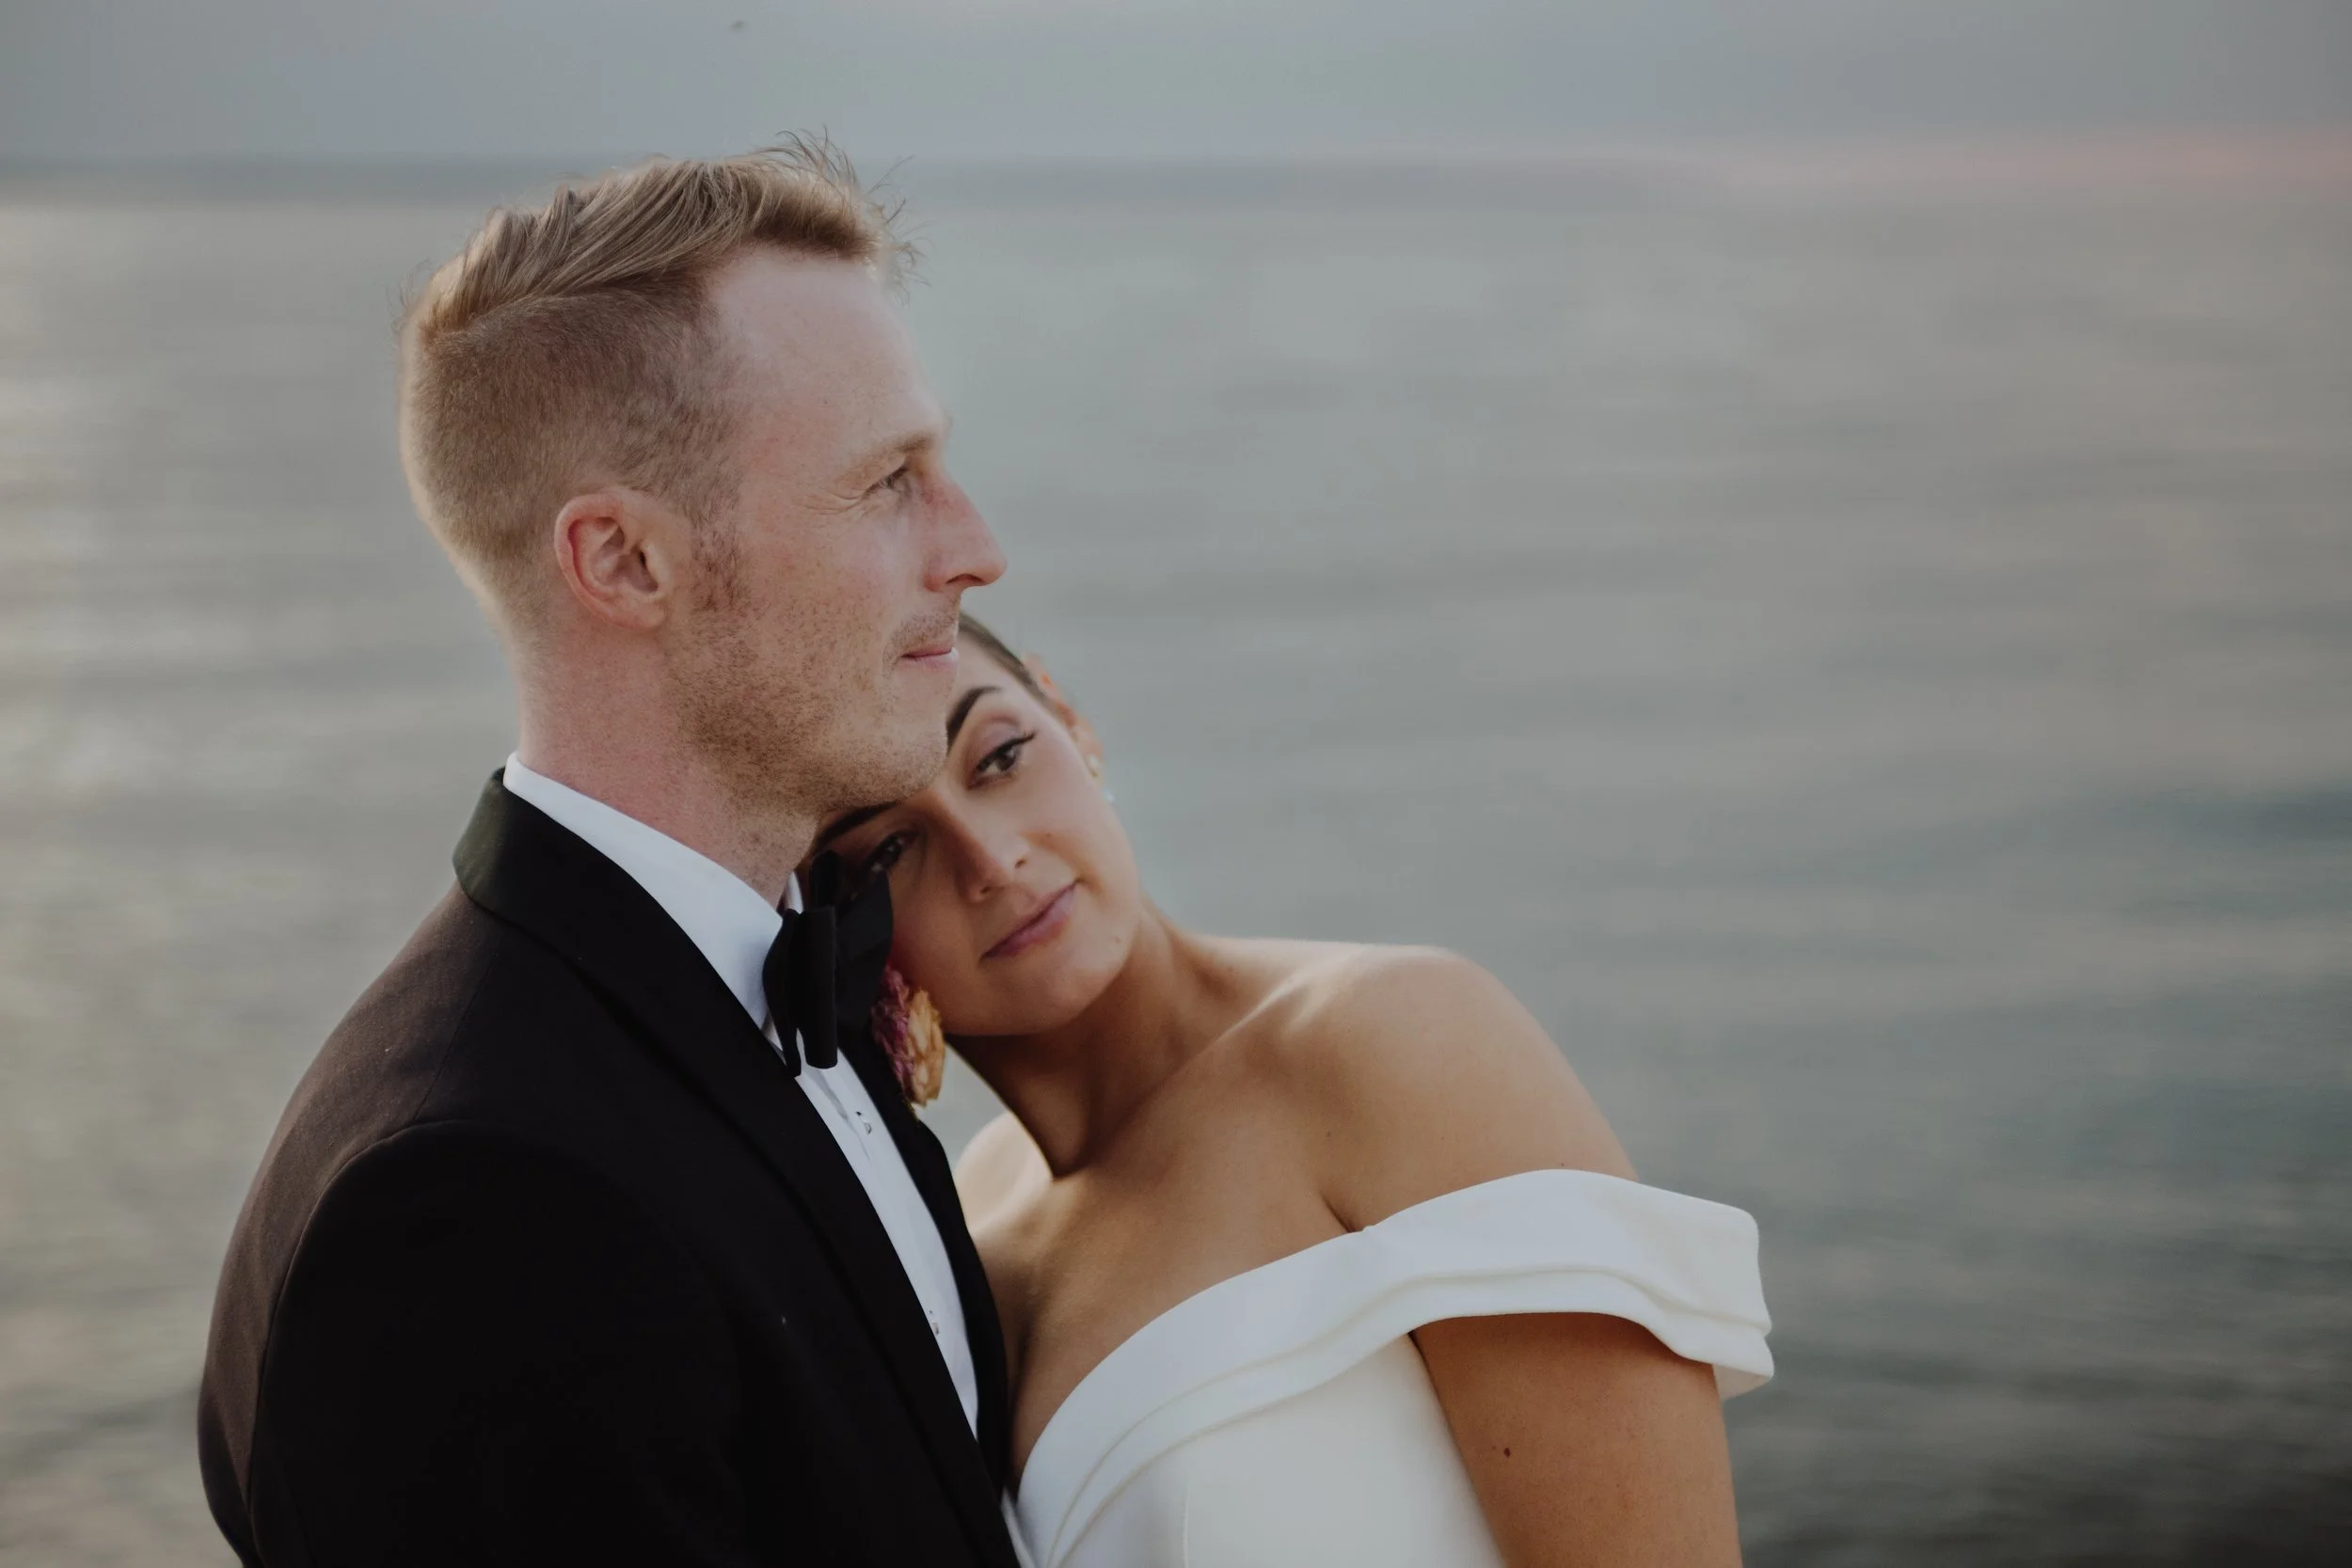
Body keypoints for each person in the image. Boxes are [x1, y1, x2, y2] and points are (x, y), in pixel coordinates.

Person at [197, 144, 1026, 1566]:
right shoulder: (472, 1212)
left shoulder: (782, 981)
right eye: (890, 481)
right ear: (624, 563)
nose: (975, 546)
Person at [815, 617, 1776, 1568]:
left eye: (1001, 756)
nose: (992, 859)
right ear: (838, 925)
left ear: (1070, 719)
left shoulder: (1392, 1036)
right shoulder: (963, 1224)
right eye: (892, 849)